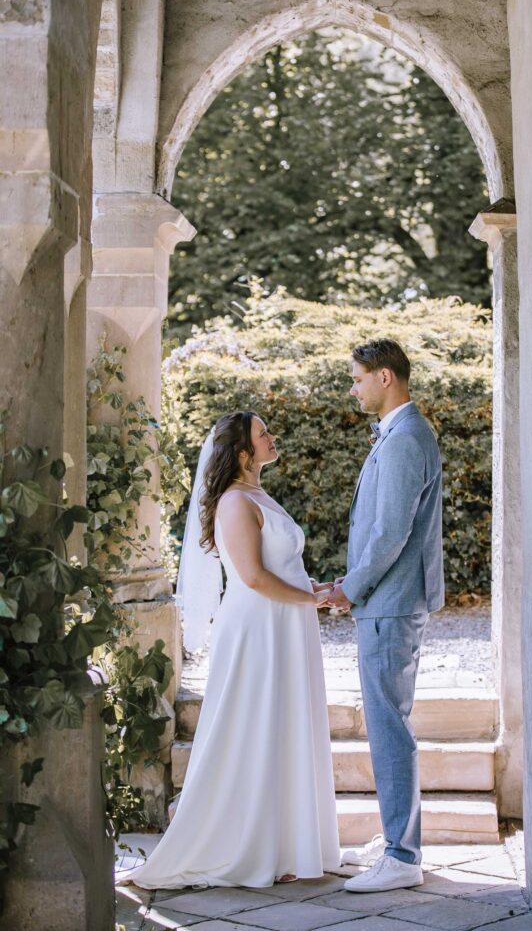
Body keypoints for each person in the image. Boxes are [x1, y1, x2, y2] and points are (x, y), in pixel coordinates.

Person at [119, 411, 340, 889]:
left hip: (284, 624)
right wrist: (312, 600)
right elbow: (254, 577)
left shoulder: (259, 494)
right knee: (251, 727)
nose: (272, 436)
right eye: (264, 433)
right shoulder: (234, 502)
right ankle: (230, 838)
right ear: (243, 452)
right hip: (257, 628)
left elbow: (280, 566)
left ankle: (281, 844)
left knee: (280, 727)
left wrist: (313, 587)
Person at [327, 339, 444, 893]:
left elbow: (389, 533)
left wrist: (350, 588)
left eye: (358, 378)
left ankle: (402, 854)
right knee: (387, 723)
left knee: (388, 727)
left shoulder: (404, 441)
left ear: (386, 378)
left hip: (390, 603)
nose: (353, 388)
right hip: (389, 601)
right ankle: (399, 836)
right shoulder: (401, 434)